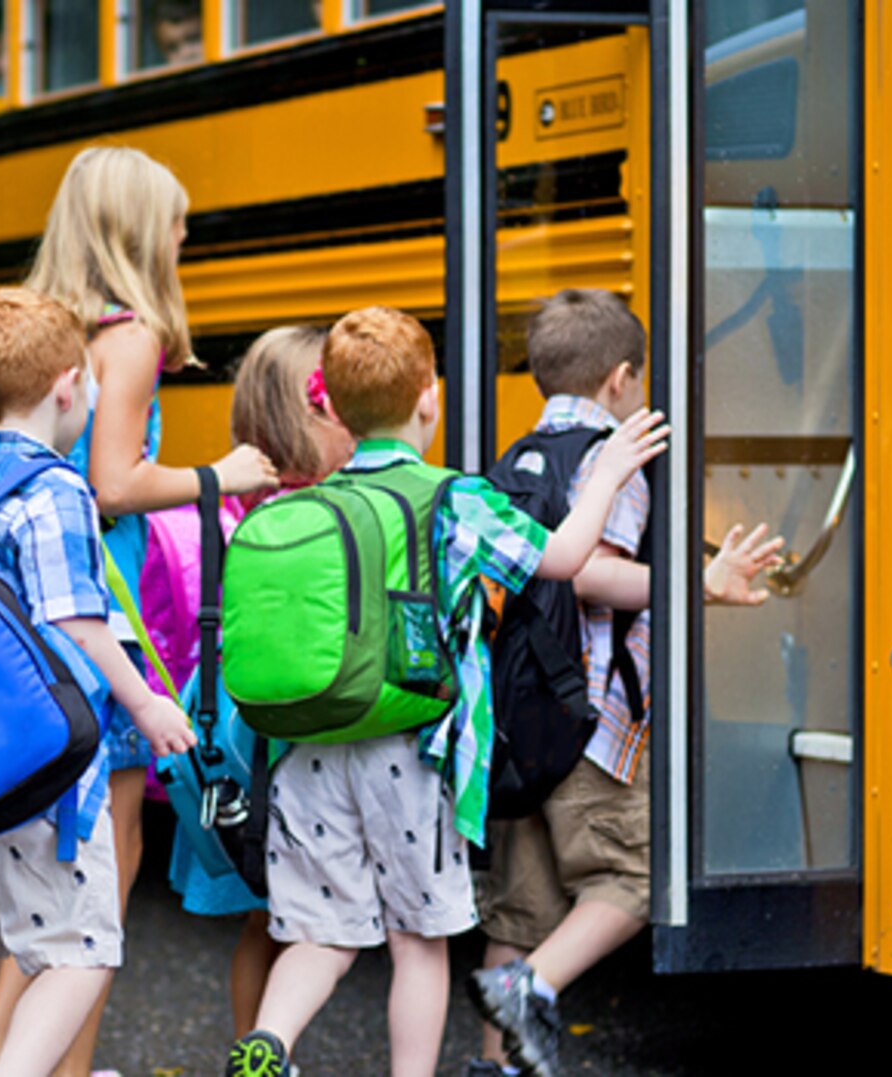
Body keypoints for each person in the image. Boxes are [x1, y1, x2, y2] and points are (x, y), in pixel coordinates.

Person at [225, 306, 669, 1077]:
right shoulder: (453, 498)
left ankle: (267, 1044)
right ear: (429, 397)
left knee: (321, 936)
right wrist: (605, 474)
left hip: (309, 753)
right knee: (417, 942)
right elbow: (563, 557)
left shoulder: (309, 503)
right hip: (410, 751)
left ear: (327, 404)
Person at [465, 289, 787, 1077]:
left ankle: (494, 1067)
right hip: (592, 725)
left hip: (517, 719)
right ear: (620, 378)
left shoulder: (512, 461)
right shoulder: (619, 455)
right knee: (638, 874)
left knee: (521, 903)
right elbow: (591, 574)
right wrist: (700, 581)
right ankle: (531, 985)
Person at [0, 288, 198, 1077]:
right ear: (69, 386)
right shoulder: (56, 488)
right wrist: (147, 701)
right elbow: (75, 622)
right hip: (36, 766)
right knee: (80, 953)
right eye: (90, 383)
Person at [142, 325, 351, 1040]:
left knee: (265, 920)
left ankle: (252, 1050)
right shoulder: (317, 516)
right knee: (310, 921)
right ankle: (266, 1047)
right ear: (312, 415)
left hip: (240, 741)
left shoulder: (238, 508)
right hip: (289, 743)